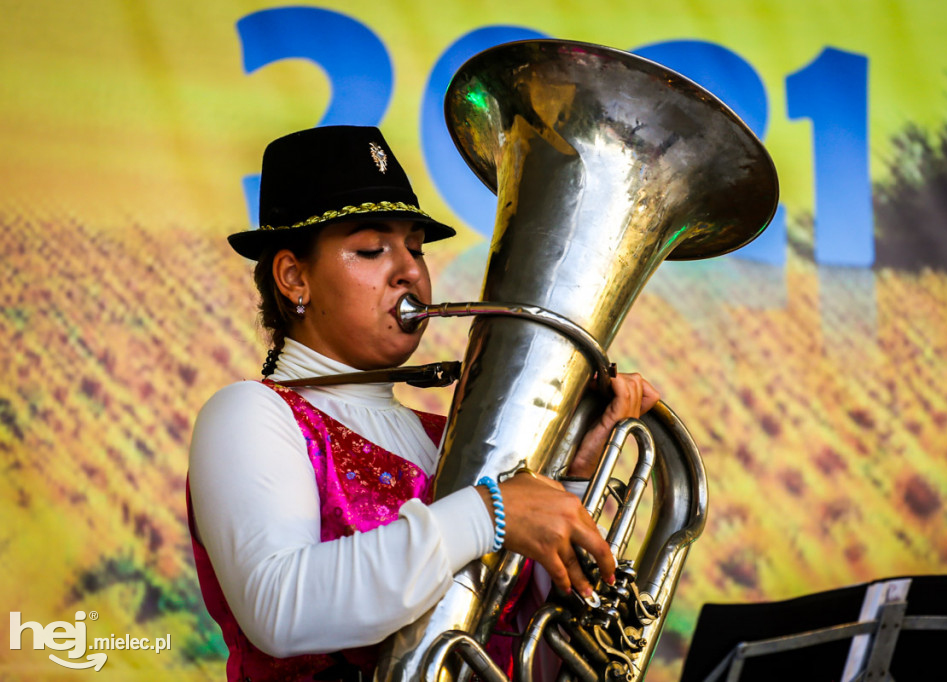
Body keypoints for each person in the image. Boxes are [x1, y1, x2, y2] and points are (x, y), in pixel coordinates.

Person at [187, 125, 660, 682]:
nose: (410, 270)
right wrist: (489, 513)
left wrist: (574, 482)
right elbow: (280, 608)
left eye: (415, 247)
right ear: (294, 277)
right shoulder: (249, 414)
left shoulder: (452, 437)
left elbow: (530, 660)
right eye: (371, 249)